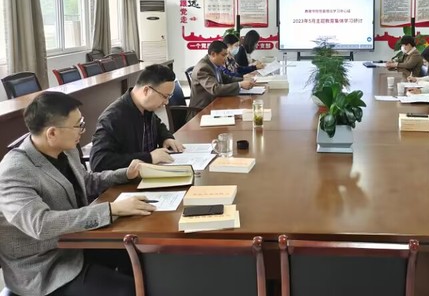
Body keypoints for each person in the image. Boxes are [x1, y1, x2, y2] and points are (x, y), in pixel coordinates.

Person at [0, 92, 156, 296]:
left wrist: (125, 174)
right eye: (78, 125)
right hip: (45, 268)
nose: (83, 130)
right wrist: (111, 210)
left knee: (146, 258)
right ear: (52, 133)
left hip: (78, 243)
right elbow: (41, 225)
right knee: (129, 290)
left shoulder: (65, 149)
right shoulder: (14, 171)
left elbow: (86, 181)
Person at [90, 64, 184, 172]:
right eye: (165, 96)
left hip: (149, 172)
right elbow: (99, 162)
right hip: (127, 179)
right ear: (146, 90)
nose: (166, 102)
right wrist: (149, 157)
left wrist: (166, 137)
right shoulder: (112, 118)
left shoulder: (146, 107)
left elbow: (158, 125)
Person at [189, 40, 255, 109]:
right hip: (202, 109)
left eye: (226, 55)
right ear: (213, 54)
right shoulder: (203, 68)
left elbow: (227, 79)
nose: (226, 58)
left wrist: (243, 79)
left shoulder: (214, 63)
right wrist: (240, 85)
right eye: (223, 55)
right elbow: (215, 89)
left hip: (215, 103)